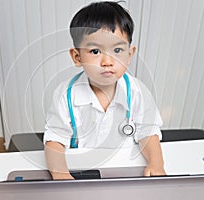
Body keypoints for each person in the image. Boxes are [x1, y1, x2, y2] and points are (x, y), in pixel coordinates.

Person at [44, 1, 166, 180]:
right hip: (82, 169)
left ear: (129, 55)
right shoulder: (65, 95)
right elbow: (55, 139)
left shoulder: (138, 92)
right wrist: (61, 174)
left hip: (125, 167)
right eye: (95, 51)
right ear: (77, 57)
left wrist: (156, 164)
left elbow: (148, 132)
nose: (107, 61)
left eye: (117, 50)